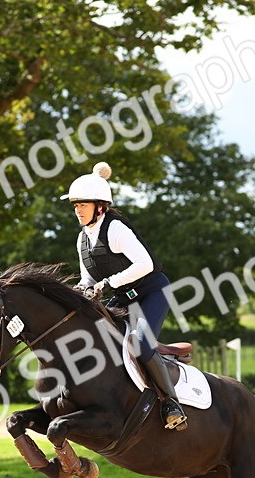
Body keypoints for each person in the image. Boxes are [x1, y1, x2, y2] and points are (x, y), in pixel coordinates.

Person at [63, 161, 187, 430]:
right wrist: (83, 290)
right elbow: (88, 277)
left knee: (140, 344)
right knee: (95, 338)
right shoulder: (82, 238)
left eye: (82, 205)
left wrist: (107, 283)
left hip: (151, 291)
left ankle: (171, 403)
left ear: (100, 206)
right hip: (123, 297)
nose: (78, 211)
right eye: (75, 206)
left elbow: (146, 265)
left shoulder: (116, 229)